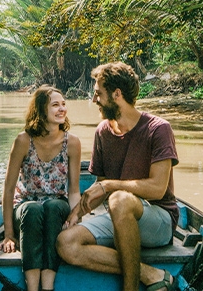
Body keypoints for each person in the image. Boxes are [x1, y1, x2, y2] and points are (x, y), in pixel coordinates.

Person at [57, 62, 179, 291]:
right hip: (119, 216)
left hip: (159, 220)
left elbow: (157, 189)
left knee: (118, 199)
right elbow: (99, 185)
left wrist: (109, 185)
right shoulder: (103, 131)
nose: (94, 101)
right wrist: (77, 212)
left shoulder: (158, 129)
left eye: (98, 94)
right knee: (66, 243)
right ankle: (149, 273)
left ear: (117, 94)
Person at [0, 85, 82, 291]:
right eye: (55, 105)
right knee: (33, 209)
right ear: (40, 110)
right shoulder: (23, 141)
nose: (62, 109)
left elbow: (73, 190)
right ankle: (32, 288)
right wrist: (8, 234)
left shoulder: (72, 142)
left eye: (63, 104)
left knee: (53, 206)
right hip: (27, 208)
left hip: (57, 206)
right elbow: (9, 190)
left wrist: (76, 219)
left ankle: (48, 287)